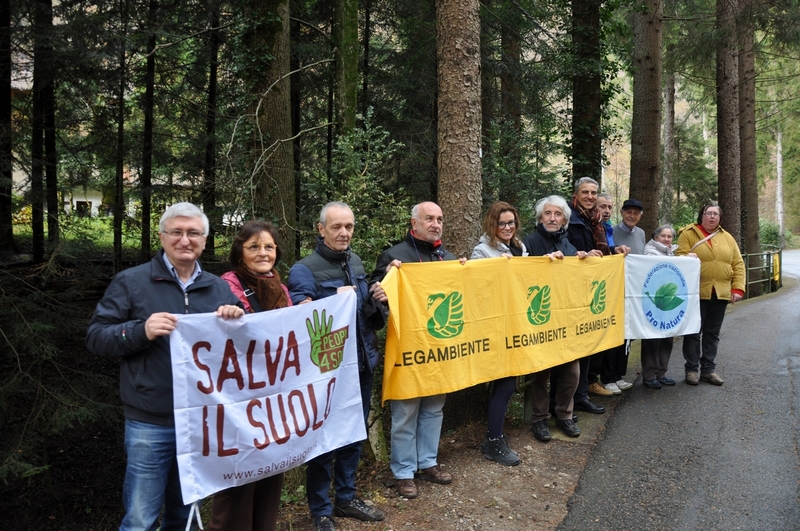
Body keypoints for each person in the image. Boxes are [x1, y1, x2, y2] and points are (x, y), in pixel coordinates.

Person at [86, 202, 244, 531]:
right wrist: (139, 330)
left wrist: (236, 319)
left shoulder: (217, 287)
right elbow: (97, 337)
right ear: (162, 237)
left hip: (200, 424)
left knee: (184, 517)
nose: (185, 240)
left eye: (193, 233)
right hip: (150, 423)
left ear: (204, 239)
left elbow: (240, 348)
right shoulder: (131, 282)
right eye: (177, 232)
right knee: (140, 520)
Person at [287, 202, 387, 531]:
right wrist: (330, 303)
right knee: (322, 441)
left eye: (349, 226)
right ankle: (321, 510)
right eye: (336, 227)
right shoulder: (304, 269)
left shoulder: (355, 262)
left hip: (360, 365)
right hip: (325, 373)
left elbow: (366, 319)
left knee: (352, 436)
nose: (344, 233)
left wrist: (375, 300)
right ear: (321, 229)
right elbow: (300, 323)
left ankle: (346, 497)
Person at [371, 201, 460, 500]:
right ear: (414, 222)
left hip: (439, 350)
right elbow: (376, 293)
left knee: (434, 409)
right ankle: (404, 472)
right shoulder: (395, 256)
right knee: (405, 413)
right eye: (429, 219)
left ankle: (428, 463)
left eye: (440, 219)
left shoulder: (447, 258)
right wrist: (381, 284)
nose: (436, 224)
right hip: (408, 351)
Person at [207, 220, 291, 531]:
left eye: (268, 246)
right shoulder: (225, 285)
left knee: (270, 478)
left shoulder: (280, 287)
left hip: (274, 402)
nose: (262, 252)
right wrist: (227, 315)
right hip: (238, 401)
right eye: (253, 246)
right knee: (237, 485)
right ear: (240, 252)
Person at [522, 195, 590, 442]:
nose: (552, 218)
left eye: (557, 214)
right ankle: (540, 419)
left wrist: (586, 261)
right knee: (541, 373)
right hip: (540, 318)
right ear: (540, 218)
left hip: (566, 320)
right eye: (547, 214)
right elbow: (521, 277)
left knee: (572, 372)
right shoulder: (529, 243)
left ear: (564, 219)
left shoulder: (569, 244)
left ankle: (564, 414)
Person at [564, 177, 630, 414]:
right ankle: (570, 399)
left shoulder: (596, 221)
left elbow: (599, 252)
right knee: (577, 347)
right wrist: (578, 254)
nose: (590, 196)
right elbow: (565, 248)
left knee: (590, 344)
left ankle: (582, 394)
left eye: (593, 192)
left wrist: (614, 250)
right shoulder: (569, 218)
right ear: (576, 195)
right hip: (574, 290)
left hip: (595, 291)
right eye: (585, 192)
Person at [470, 201, 527, 466]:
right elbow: (474, 287)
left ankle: (495, 436)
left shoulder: (520, 247)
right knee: (504, 382)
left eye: (511, 223)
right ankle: (494, 441)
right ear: (492, 224)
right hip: (494, 327)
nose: (507, 227)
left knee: (511, 381)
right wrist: (497, 271)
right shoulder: (482, 251)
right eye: (502, 223)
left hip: (516, 323)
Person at [676, 202, 745, 386]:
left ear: (720, 217)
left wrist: (737, 288)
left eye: (716, 214)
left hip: (720, 292)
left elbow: (738, 264)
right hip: (695, 292)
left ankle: (708, 370)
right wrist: (685, 257)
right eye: (708, 213)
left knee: (712, 334)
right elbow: (678, 258)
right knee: (693, 333)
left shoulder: (727, 238)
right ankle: (691, 370)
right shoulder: (688, 234)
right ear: (702, 215)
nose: (712, 217)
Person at [598, 198, 646, 394]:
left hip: (632, 292)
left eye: (636, 213)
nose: (632, 216)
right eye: (628, 212)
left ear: (640, 216)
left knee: (628, 335)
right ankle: (607, 377)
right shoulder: (611, 231)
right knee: (613, 334)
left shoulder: (641, 234)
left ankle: (618, 375)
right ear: (622, 212)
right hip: (613, 291)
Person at [640, 224, 685, 389]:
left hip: (667, 300)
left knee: (667, 337)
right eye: (663, 236)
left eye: (669, 236)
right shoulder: (649, 251)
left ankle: (661, 372)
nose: (667, 239)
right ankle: (649, 374)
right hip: (654, 301)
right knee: (653, 338)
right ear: (656, 237)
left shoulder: (671, 252)